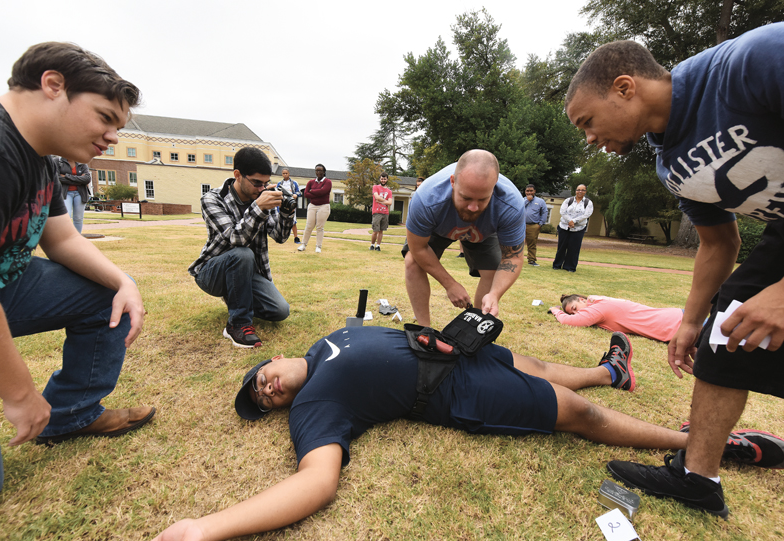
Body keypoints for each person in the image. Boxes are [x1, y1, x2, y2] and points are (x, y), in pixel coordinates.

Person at [153, 326, 784, 540]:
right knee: (575, 414)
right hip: (456, 393)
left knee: (534, 363)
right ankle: (707, 446)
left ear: (269, 361)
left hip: (455, 349)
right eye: (261, 401)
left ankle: (610, 370)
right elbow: (315, 481)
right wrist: (208, 528)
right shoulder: (314, 404)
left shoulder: (326, 342)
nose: (265, 389)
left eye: (257, 379)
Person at [565, 24, 784, 517]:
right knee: (723, 336)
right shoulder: (670, 164)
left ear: (625, 87)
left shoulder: (751, 62)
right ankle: (697, 479)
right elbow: (718, 241)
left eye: (587, 122)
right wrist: (690, 321)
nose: (590, 137)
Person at [0, 42, 156, 516]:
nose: (113, 137)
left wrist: (125, 282)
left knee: (105, 295)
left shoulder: (40, 154)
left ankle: (70, 416)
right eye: (104, 117)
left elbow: (62, 240)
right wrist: (19, 395)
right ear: (53, 86)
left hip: (1, 287)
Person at [403, 149, 525, 327]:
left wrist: (495, 294)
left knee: (492, 271)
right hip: (440, 226)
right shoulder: (426, 199)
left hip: (485, 230)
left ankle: (476, 328)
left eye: (483, 199)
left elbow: (513, 257)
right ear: (453, 182)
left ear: (495, 185)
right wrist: (450, 284)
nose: (473, 207)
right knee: (412, 261)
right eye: (465, 198)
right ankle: (424, 329)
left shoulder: (511, 205)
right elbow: (418, 248)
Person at [189, 148, 293, 349]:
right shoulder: (213, 199)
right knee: (242, 254)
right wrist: (259, 207)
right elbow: (236, 239)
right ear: (237, 175)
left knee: (280, 311)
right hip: (212, 273)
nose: (262, 188)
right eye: (256, 183)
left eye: (265, 183)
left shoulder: (261, 196)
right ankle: (237, 324)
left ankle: (238, 296)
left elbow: (279, 237)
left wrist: (287, 213)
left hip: (248, 272)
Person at [550, 294, 684, 342]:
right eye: (572, 313)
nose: (576, 314)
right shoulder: (600, 302)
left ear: (581, 299)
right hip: (676, 318)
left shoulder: (597, 309)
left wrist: (555, 310)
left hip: (676, 324)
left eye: (574, 308)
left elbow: (569, 321)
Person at [552, 185, 593, 273]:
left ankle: (570, 266)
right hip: (564, 227)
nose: (580, 191)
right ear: (575, 191)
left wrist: (574, 221)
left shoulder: (588, 202)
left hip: (579, 228)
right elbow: (562, 212)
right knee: (562, 246)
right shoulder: (568, 200)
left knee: (574, 248)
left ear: (585, 191)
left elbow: (586, 214)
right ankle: (557, 264)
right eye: (578, 190)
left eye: (582, 190)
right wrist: (569, 221)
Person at [297, 164, 332, 254]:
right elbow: (306, 194)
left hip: (323, 206)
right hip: (312, 205)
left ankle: (318, 246)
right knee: (309, 225)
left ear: (324, 172)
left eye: (320, 170)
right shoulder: (311, 182)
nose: (318, 172)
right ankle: (303, 245)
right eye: (316, 170)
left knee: (319, 227)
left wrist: (312, 191)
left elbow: (324, 191)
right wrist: (317, 192)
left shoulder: (328, 182)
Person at [54, 156, 92, 233]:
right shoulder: (58, 161)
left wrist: (67, 176)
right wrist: (79, 180)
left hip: (80, 194)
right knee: (66, 216)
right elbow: (57, 178)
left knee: (78, 218)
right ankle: (65, 237)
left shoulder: (82, 163)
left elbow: (87, 179)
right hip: (65, 193)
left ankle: (77, 237)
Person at [523, 184, 547, 266]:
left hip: (533, 225)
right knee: (516, 243)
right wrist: (527, 201)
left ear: (534, 191)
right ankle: (514, 259)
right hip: (520, 225)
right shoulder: (521, 200)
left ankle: (531, 260)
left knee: (532, 244)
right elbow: (518, 209)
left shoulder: (540, 201)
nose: (529, 192)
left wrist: (540, 224)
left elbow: (544, 213)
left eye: (531, 191)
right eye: (527, 191)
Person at [276, 168, 301, 243]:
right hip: (281, 205)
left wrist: (295, 195)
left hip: (291, 205)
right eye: (283, 173)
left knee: (293, 221)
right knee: (280, 221)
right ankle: (280, 236)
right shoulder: (279, 183)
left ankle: (296, 237)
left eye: (286, 173)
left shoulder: (294, 183)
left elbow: (299, 192)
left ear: (289, 173)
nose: (285, 175)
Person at [370, 172, 393, 251]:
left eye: (385, 179)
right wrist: (385, 201)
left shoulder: (389, 191)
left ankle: (378, 246)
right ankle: (372, 245)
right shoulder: (375, 187)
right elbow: (376, 197)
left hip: (385, 213)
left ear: (387, 180)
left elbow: (390, 203)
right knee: (375, 230)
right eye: (382, 179)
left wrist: (381, 201)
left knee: (381, 231)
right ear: (380, 179)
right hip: (376, 212)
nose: (383, 180)